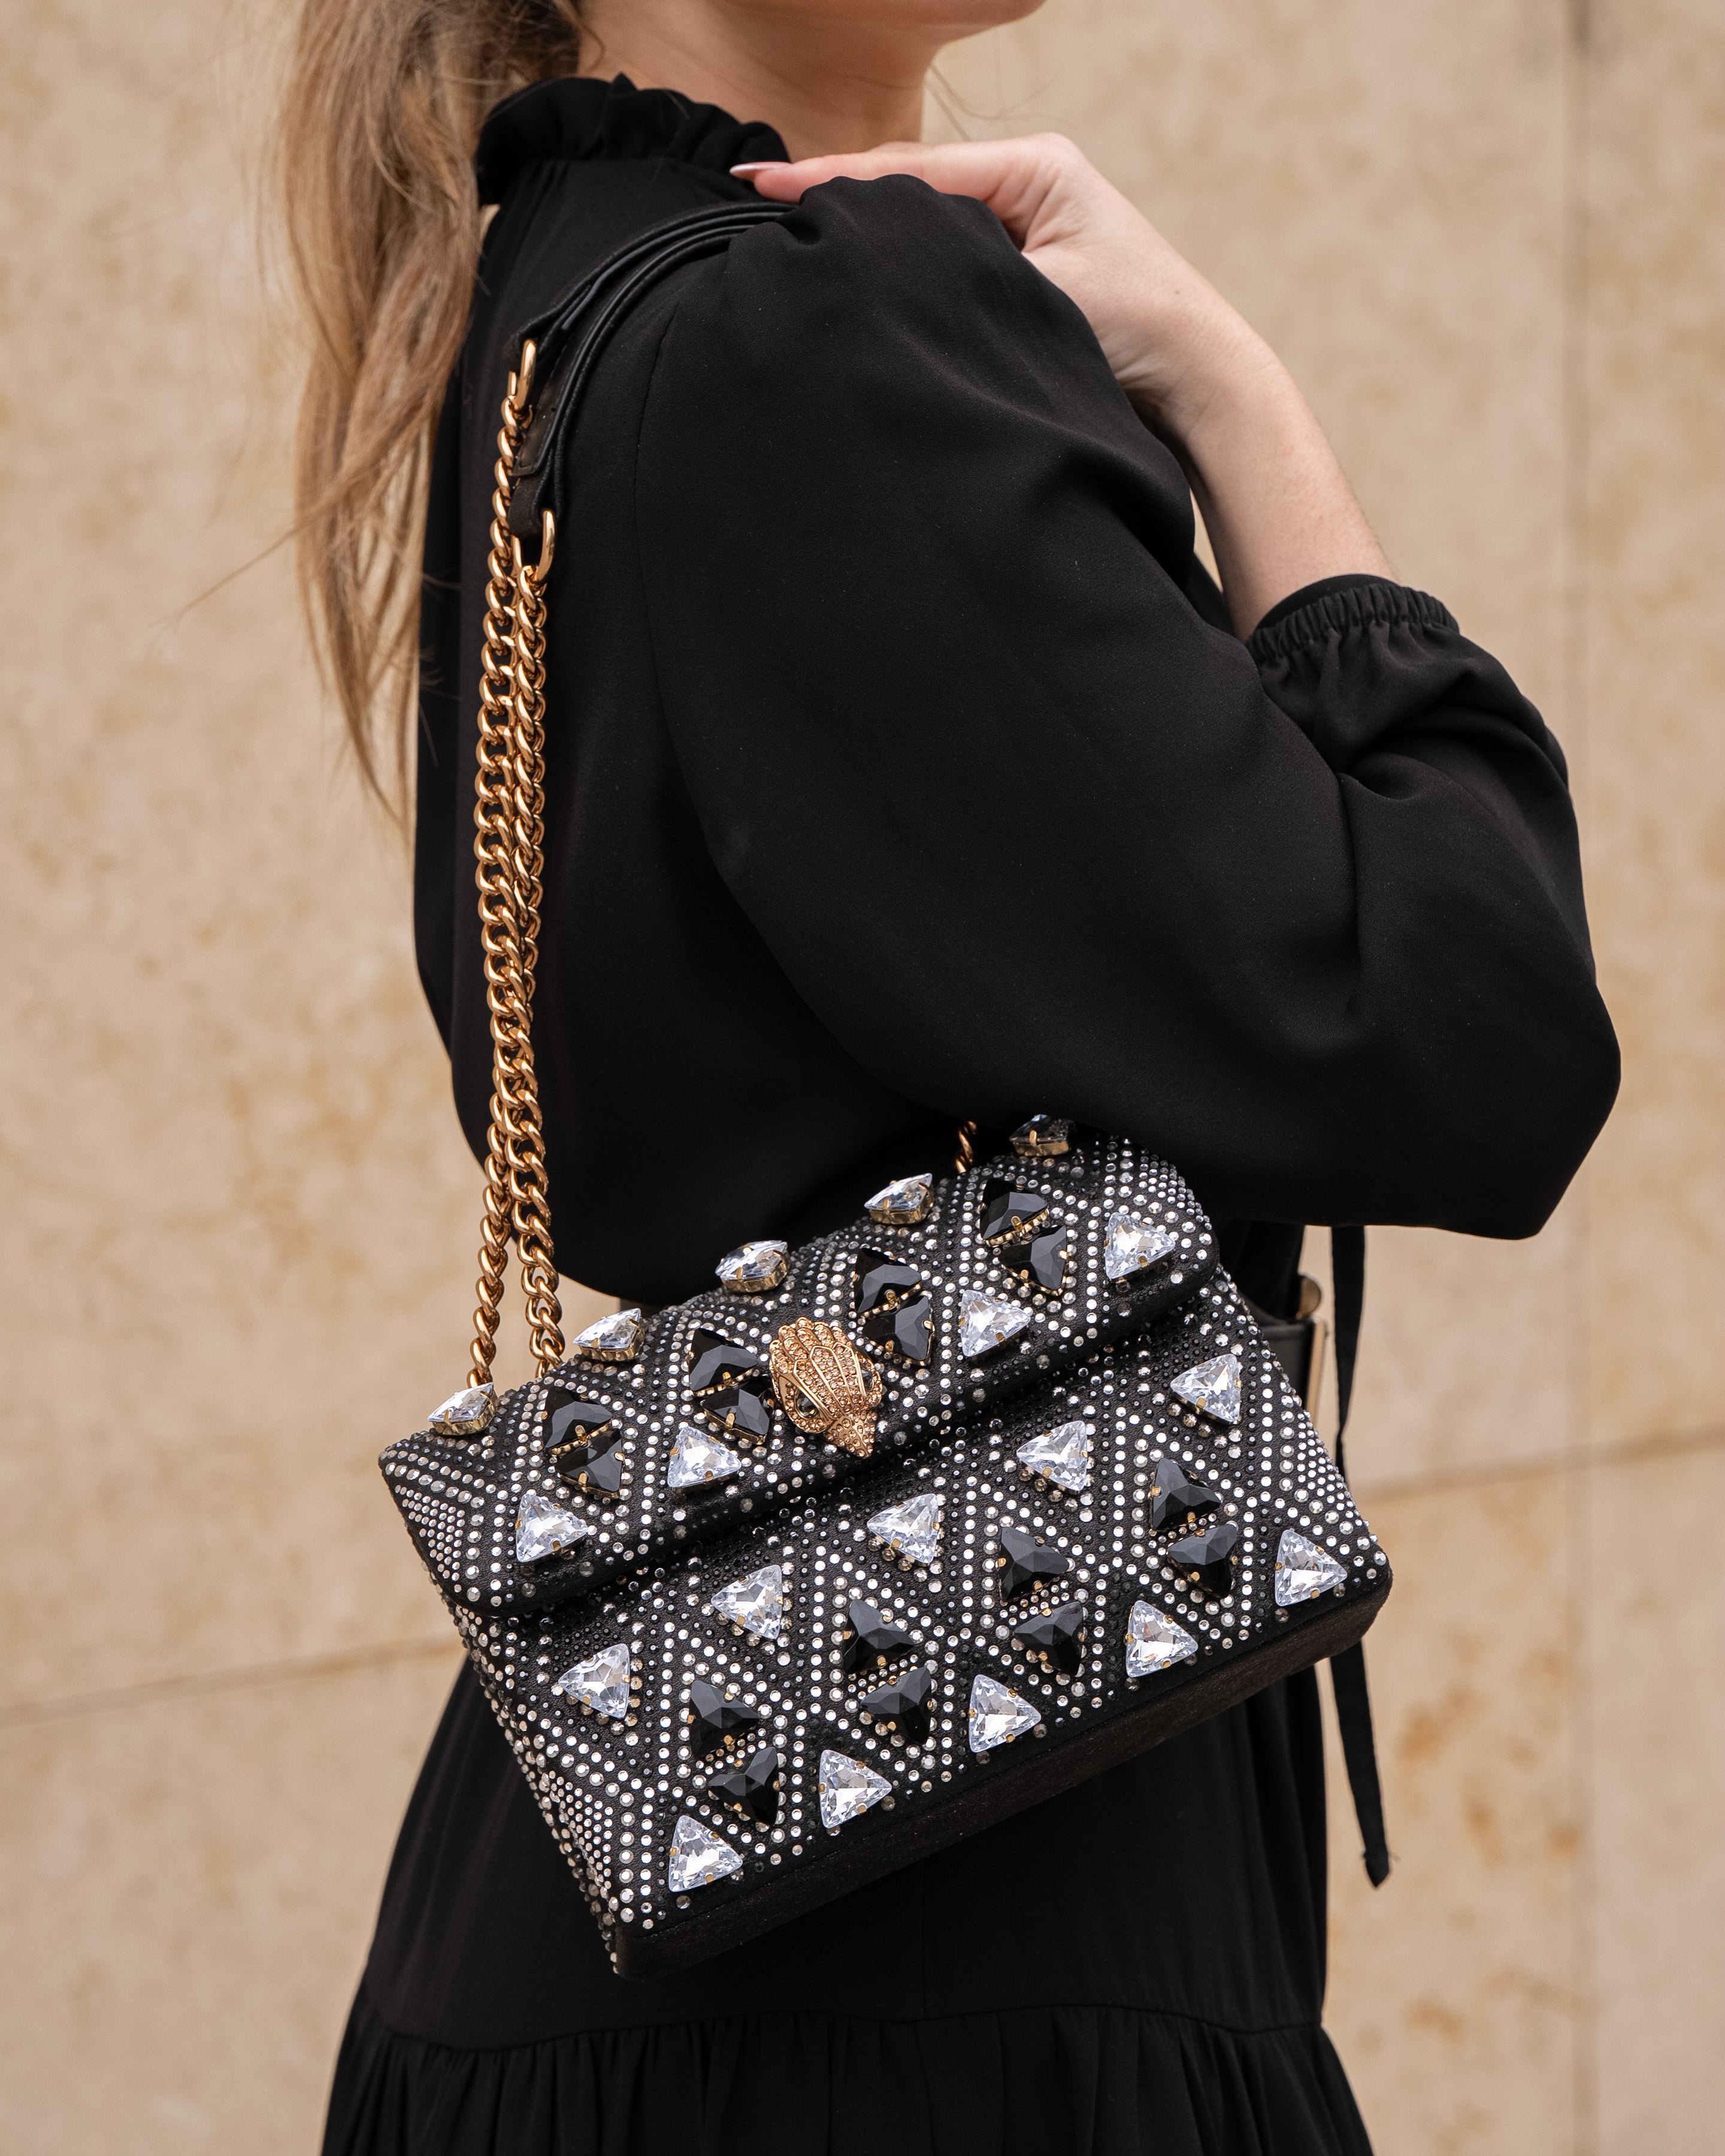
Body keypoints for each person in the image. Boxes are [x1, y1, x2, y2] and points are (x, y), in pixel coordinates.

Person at [278, 1, 1618, 2149]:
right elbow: (1470, 1031)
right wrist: (1235, 390)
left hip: (671, 1905)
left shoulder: (568, 298)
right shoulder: (809, 337)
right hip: (948, 1971)